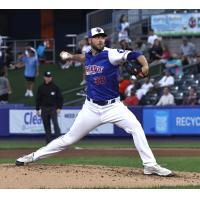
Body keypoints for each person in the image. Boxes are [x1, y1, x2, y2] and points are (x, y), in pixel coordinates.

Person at [16, 27, 172, 177]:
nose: (100, 40)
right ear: (90, 40)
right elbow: (84, 57)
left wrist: (144, 65)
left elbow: (134, 54)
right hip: (91, 108)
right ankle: (32, 157)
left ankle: (150, 165)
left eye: (102, 37)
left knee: (136, 128)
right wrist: (71, 56)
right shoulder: (89, 55)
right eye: (97, 37)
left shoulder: (111, 54)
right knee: (68, 139)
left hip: (113, 107)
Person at [36, 71, 63, 144]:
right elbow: (38, 99)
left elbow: (60, 98)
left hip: (53, 108)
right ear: (44, 77)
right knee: (46, 126)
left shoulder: (55, 87)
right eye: (47, 77)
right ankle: (49, 143)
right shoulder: (41, 87)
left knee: (55, 124)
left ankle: (59, 142)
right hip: (44, 108)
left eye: (50, 77)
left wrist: (59, 107)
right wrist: (37, 109)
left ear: (51, 78)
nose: (48, 78)